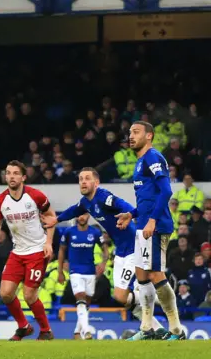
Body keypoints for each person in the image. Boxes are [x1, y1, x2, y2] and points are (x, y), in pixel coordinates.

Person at [56, 167, 164, 332]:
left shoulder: (104, 197)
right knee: (121, 298)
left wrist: (129, 216)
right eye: (80, 179)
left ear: (96, 183)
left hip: (134, 248)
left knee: (124, 296)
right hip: (120, 251)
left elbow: (124, 205)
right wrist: (56, 219)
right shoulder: (86, 202)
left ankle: (156, 298)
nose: (83, 182)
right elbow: (73, 210)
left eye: (87, 178)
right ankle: (156, 329)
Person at [116, 121, 185, 340]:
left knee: (156, 274)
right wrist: (133, 215)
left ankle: (176, 329)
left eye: (136, 132)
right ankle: (147, 329)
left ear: (149, 136)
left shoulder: (153, 157)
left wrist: (153, 221)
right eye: (129, 133)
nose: (131, 136)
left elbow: (166, 191)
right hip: (143, 225)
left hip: (155, 227)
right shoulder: (140, 162)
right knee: (141, 274)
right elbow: (149, 198)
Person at [0, 160, 57, 341]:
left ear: (23, 177)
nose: (11, 176)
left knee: (29, 295)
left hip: (37, 250)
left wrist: (48, 243)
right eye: (8, 173)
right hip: (17, 252)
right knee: (5, 293)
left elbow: (51, 217)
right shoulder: (0, 200)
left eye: (15, 173)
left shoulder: (35, 196)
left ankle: (46, 330)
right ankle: (24, 326)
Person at [57, 213, 107, 340]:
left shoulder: (95, 232)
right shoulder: (69, 232)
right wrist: (60, 270)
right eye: (79, 215)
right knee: (80, 297)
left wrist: (103, 262)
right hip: (75, 271)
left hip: (90, 272)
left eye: (84, 214)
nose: (81, 217)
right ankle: (86, 331)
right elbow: (62, 250)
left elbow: (105, 249)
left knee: (87, 302)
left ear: (88, 216)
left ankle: (77, 331)